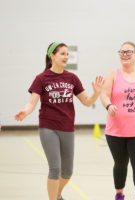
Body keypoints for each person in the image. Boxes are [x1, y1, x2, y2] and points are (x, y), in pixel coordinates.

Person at [14, 42, 103, 200]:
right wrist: (25, 111)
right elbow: (32, 102)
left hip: (67, 128)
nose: (66, 57)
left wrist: (96, 93)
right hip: (48, 127)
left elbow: (87, 101)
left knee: (68, 171)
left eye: (68, 54)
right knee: (55, 168)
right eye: (62, 53)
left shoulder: (72, 78)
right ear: (52, 56)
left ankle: (57, 194)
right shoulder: (41, 79)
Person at [100, 41, 135, 200]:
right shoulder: (112, 75)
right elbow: (104, 95)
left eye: (129, 52)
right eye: (122, 52)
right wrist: (109, 105)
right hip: (116, 130)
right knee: (120, 164)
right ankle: (119, 193)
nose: (125, 54)